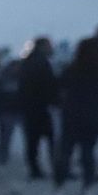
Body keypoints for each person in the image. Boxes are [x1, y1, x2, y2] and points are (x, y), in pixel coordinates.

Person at [53, 36, 98, 195]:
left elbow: (60, 87)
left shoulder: (72, 69)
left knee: (64, 151)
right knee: (88, 153)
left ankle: (59, 187)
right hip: (93, 116)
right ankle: (88, 187)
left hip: (72, 114)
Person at [18, 37, 59, 179]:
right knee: (52, 139)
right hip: (42, 107)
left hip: (30, 107)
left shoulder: (27, 62)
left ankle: (34, 169)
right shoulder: (43, 63)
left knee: (32, 141)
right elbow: (49, 85)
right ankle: (57, 167)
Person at [0, 51, 22, 166]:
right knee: (5, 134)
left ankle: (3, 154)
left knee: (5, 134)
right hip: (7, 110)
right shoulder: (4, 77)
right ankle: (2, 154)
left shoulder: (3, 76)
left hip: (12, 109)